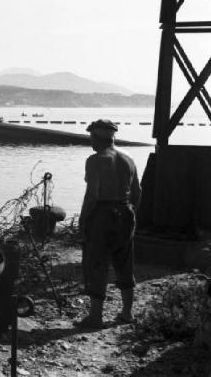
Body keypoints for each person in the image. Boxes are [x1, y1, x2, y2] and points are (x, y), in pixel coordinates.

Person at [76, 119, 141, 329]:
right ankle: (127, 313)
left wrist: (83, 220)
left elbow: (92, 195)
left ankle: (95, 317)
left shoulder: (96, 160)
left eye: (91, 137)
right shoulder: (129, 159)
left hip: (103, 214)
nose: (90, 142)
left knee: (97, 263)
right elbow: (138, 192)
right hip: (126, 211)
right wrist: (130, 213)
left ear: (97, 137)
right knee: (124, 261)